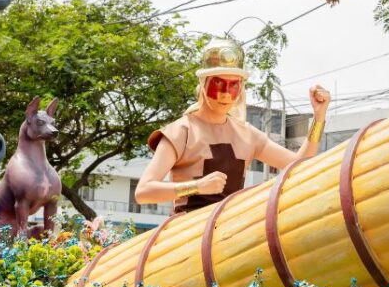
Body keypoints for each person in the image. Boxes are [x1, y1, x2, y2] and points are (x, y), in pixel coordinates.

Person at [135, 38, 331, 214]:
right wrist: (197, 186)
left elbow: (300, 165)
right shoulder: (181, 132)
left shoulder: (247, 134)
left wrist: (319, 117)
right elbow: (143, 192)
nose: (226, 94)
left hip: (232, 233)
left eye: (233, 85)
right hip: (186, 236)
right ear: (204, 84)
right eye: (218, 84)